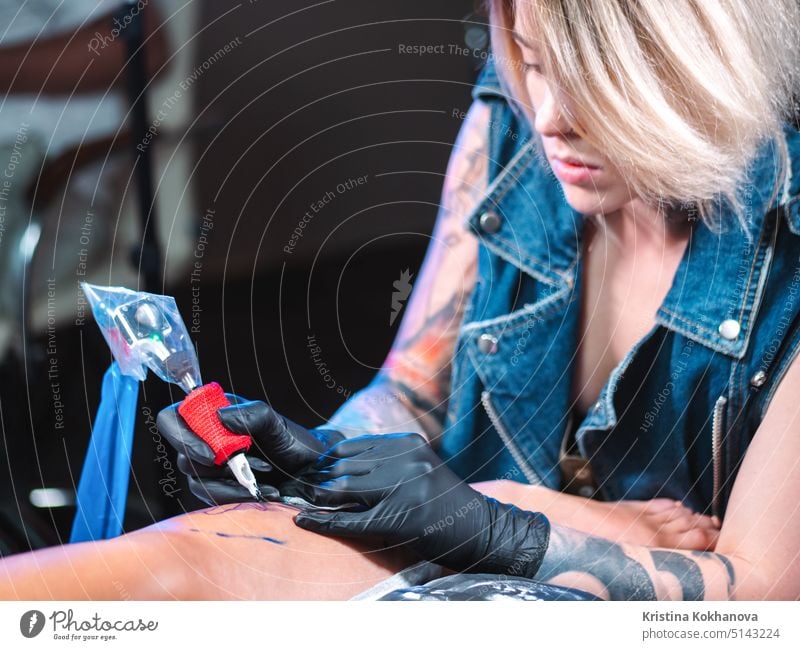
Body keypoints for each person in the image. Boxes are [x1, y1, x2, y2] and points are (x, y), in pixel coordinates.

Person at [3, 0, 799, 600]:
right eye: (531, 59)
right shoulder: (513, 116)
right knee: (198, 557)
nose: (551, 119)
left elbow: (762, 601)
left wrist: (501, 519)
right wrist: (324, 461)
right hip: (458, 576)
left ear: (704, 66)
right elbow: (412, 393)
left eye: (601, 84)